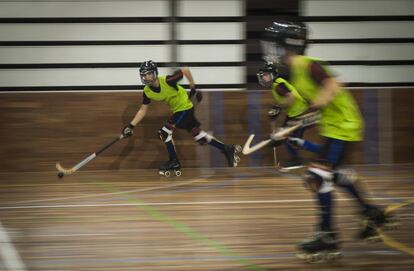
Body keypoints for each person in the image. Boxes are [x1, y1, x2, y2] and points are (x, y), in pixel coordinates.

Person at [261, 20, 394, 260]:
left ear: (287, 45)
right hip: (334, 127)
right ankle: (372, 212)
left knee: (317, 175)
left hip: (343, 126)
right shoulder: (294, 75)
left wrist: (317, 106)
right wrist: (287, 130)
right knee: (336, 175)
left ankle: (327, 234)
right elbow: (305, 107)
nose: (272, 50)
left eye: (275, 45)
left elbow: (332, 85)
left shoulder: (306, 65)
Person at [121, 60, 240, 176]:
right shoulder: (147, 91)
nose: (146, 77)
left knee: (164, 133)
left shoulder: (168, 81)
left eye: (149, 73)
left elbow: (185, 69)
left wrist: (193, 87)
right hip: (179, 110)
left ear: (155, 73)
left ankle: (174, 161)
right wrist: (130, 126)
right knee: (199, 136)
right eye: (144, 75)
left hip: (184, 107)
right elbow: (143, 110)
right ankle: (228, 149)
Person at [257, 61, 317, 171]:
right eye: (263, 76)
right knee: (286, 137)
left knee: (289, 138)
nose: (264, 78)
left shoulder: (278, 85)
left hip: (301, 113)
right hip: (294, 114)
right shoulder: (277, 85)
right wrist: (276, 111)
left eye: (266, 75)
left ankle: (298, 160)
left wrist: (278, 107)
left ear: (272, 75)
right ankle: (300, 157)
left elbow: (291, 98)